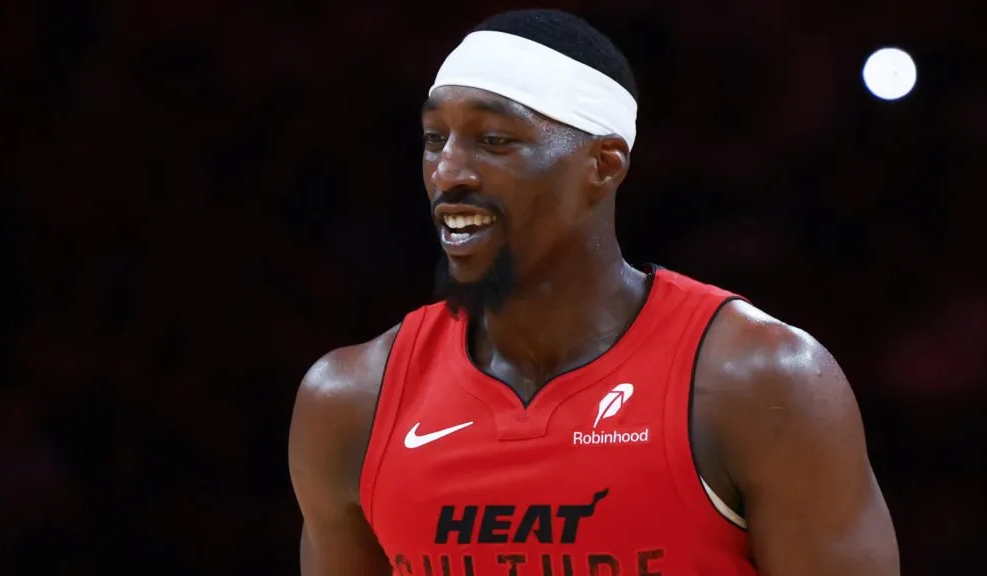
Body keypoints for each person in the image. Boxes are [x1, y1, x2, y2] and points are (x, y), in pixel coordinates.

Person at [288, 8, 900, 576]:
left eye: (494, 140)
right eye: (434, 139)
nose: (448, 170)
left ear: (605, 164)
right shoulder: (350, 401)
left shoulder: (761, 383)